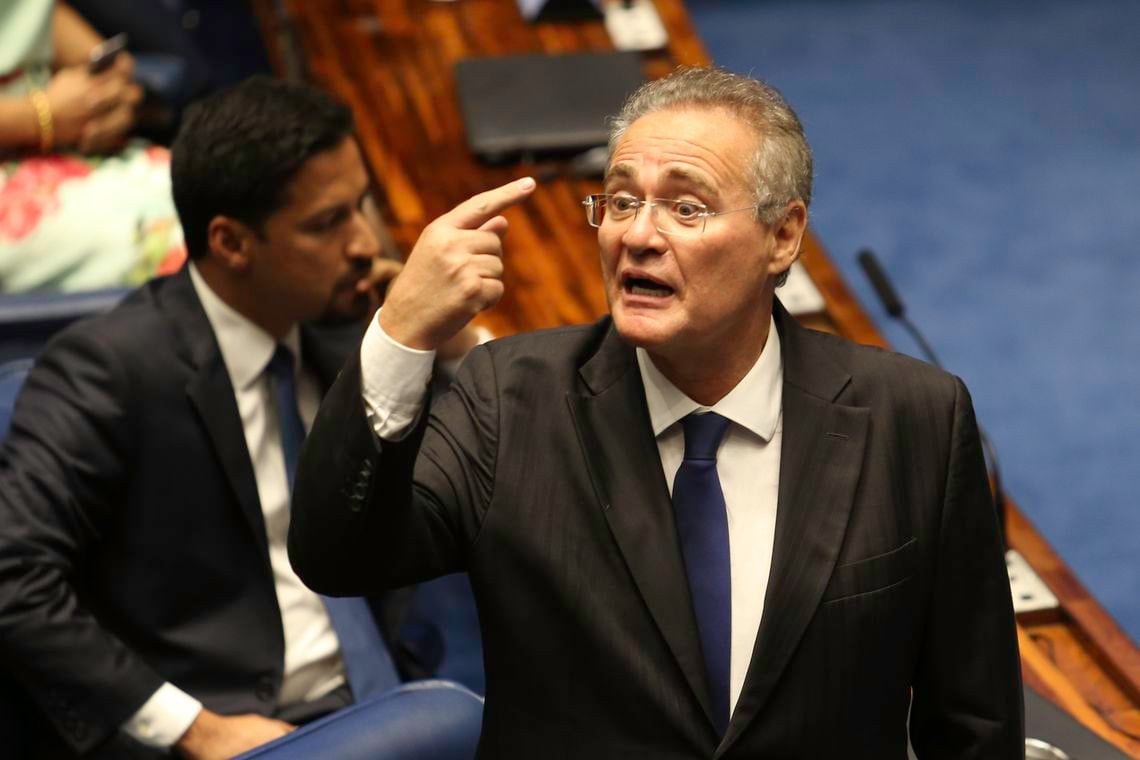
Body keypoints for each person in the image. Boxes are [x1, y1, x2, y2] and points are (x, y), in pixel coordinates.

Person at [289, 66, 1024, 757]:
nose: (637, 235)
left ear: (783, 236)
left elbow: (973, 722)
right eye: (619, 200)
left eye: (685, 206)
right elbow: (339, 555)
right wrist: (400, 334)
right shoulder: (507, 399)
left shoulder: (914, 419)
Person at [0, 77, 465, 758]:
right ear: (232, 242)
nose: (366, 244)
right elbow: (12, 575)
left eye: (359, 207)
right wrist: (194, 728)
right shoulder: (111, 368)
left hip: (403, 696)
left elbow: (497, 463)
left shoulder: (356, 331)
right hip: (244, 729)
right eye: (327, 223)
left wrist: (448, 343)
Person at [0, 0, 184, 293]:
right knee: (181, 243)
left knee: (227, 199)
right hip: (22, 154)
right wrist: (40, 116)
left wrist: (103, 81)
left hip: (59, 146)